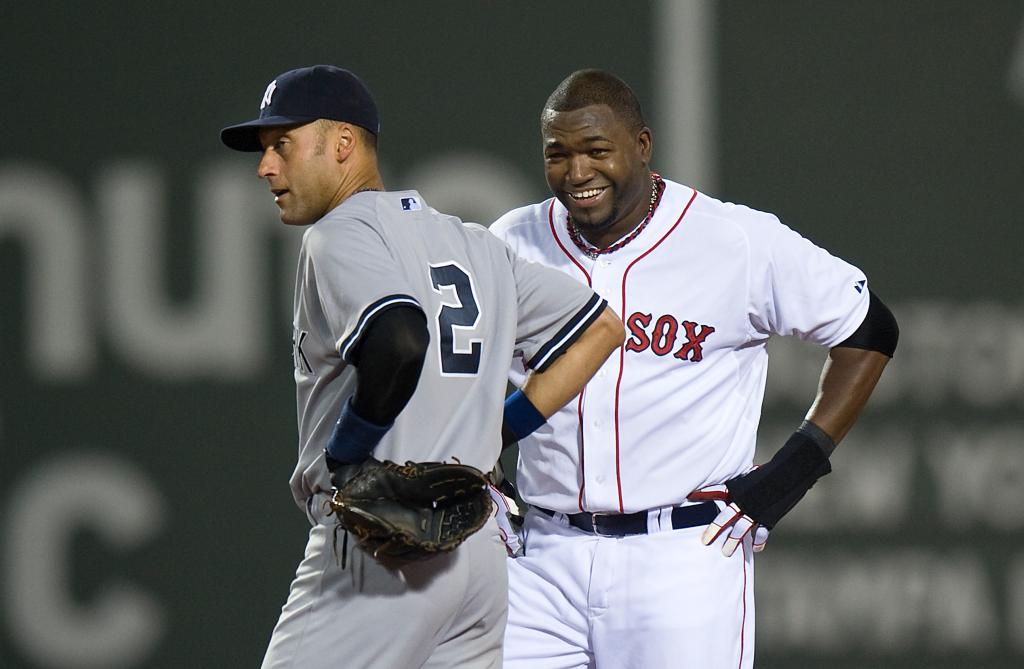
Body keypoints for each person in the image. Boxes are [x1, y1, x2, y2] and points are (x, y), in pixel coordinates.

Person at [489, 69, 898, 669]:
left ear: (642, 146)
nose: (577, 173)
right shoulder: (514, 239)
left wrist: (799, 464)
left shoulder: (732, 239)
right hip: (540, 555)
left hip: (680, 555)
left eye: (597, 150)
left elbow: (868, 328)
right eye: (559, 154)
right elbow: (462, 367)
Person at [220, 64, 625, 669]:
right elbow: (600, 329)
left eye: (282, 145)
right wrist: (499, 428)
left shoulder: (338, 235)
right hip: (480, 553)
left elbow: (399, 338)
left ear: (343, 145)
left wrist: (348, 452)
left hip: (382, 548)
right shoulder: (475, 244)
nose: (266, 167)